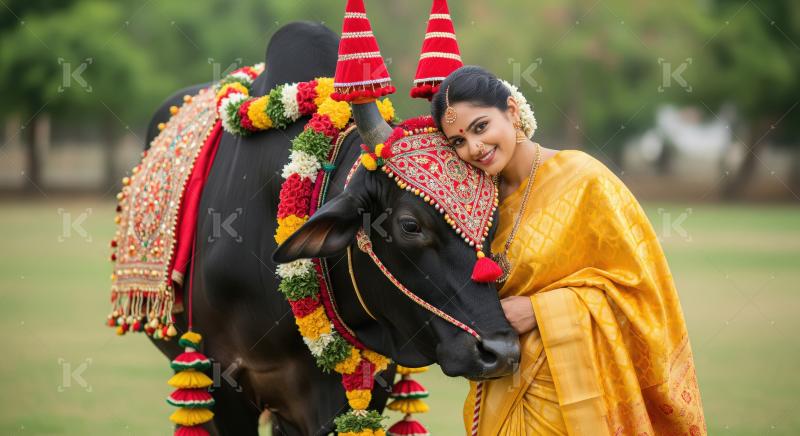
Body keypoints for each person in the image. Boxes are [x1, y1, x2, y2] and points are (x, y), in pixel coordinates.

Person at [431, 65, 707, 435]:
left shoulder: (583, 179)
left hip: (583, 392)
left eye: (480, 127)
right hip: (504, 388)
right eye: (458, 141)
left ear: (512, 111)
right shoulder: (477, 204)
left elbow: (641, 292)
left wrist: (539, 309)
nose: (474, 148)